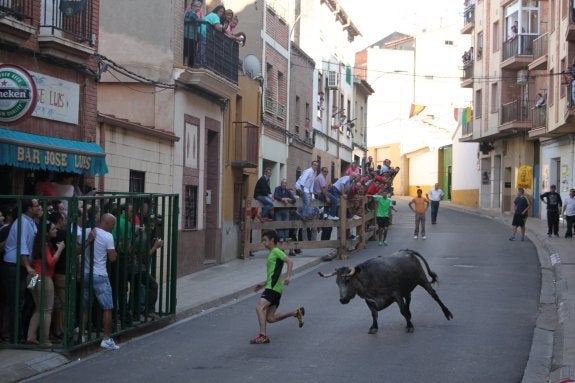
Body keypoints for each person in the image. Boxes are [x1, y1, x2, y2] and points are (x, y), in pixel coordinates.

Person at [250, 230, 304, 344]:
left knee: (260, 307)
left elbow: (289, 261)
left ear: (272, 240)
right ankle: (295, 312)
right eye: (262, 240)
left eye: (265, 240)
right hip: (275, 288)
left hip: (273, 288)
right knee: (270, 318)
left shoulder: (276, 251)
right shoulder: (272, 253)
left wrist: (288, 276)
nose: (263, 243)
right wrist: (263, 284)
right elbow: (273, 274)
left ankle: (263, 335)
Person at [0, 199, 42, 343]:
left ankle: (23, 334)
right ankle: (15, 336)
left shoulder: (31, 222)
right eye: (36, 205)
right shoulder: (22, 223)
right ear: (29, 208)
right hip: (15, 266)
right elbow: (22, 246)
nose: (39, 207)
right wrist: (29, 266)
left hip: (26, 267)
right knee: (17, 301)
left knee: (27, 299)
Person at [81, 213, 120, 350]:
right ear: (107, 223)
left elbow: (78, 250)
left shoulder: (87, 231)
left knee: (85, 306)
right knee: (108, 307)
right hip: (100, 275)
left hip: (86, 273)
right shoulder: (108, 236)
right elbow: (112, 258)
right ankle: (106, 338)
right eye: (113, 225)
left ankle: (81, 335)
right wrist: (115, 252)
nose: (113, 227)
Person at [26, 221, 65, 346]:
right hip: (43, 278)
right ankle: (45, 339)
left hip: (32, 277)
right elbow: (51, 262)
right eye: (53, 229)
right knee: (47, 309)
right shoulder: (45, 245)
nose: (56, 231)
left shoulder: (37, 243)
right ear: (47, 232)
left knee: (38, 307)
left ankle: (31, 337)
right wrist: (60, 249)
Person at [184, 0, 203, 67]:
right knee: (188, 50)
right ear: (193, 6)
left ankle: (189, 64)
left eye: (200, 7)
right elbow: (197, 19)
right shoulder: (190, 12)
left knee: (191, 51)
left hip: (192, 36)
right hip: (189, 35)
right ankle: (186, 64)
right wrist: (203, 19)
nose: (199, 8)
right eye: (198, 6)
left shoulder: (193, 13)